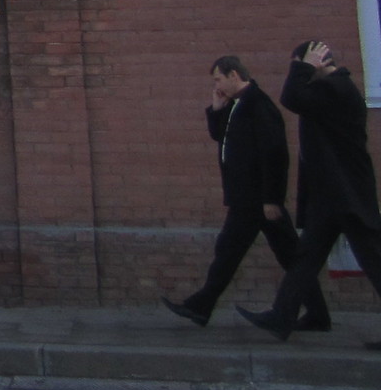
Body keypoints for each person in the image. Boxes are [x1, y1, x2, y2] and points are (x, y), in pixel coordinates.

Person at [163, 56, 326, 328]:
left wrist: (272, 199)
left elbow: (275, 155)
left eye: (219, 79)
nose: (217, 86)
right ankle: (318, 314)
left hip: (255, 198)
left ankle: (201, 306)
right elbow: (222, 138)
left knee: (229, 251)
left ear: (234, 75)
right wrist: (217, 109)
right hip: (247, 197)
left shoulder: (259, 106)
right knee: (286, 255)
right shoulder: (236, 105)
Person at [240, 42, 381, 340]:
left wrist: (302, 66)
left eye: (299, 64)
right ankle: (283, 316)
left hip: (346, 192)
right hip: (331, 193)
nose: (297, 71)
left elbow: (291, 97)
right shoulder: (328, 90)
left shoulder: (337, 88)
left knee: (373, 257)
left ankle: (283, 316)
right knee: (306, 256)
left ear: (315, 62)